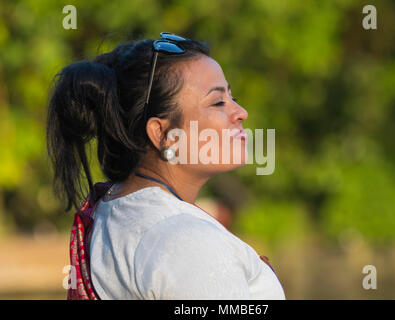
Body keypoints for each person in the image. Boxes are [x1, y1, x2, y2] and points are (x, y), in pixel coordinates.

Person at [46, 32, 285, 300]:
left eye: (232, 96)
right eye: (218, 101)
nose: (241, 112)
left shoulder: (112, 209)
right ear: (162, 134)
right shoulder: (190, 242)